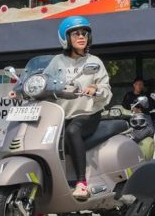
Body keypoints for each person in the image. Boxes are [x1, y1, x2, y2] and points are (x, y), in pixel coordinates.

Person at [48, 16, 113, 199]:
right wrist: (21, 90)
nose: (81, 36)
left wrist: (95, 89)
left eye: (84, 33)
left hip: (87, 113)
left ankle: (81, 183)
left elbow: (106, 89)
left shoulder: (94, 61)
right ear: (66, 38)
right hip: (61, 116)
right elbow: (44, 82)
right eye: (76, 33)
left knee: (72, 131)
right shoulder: (56, 62)